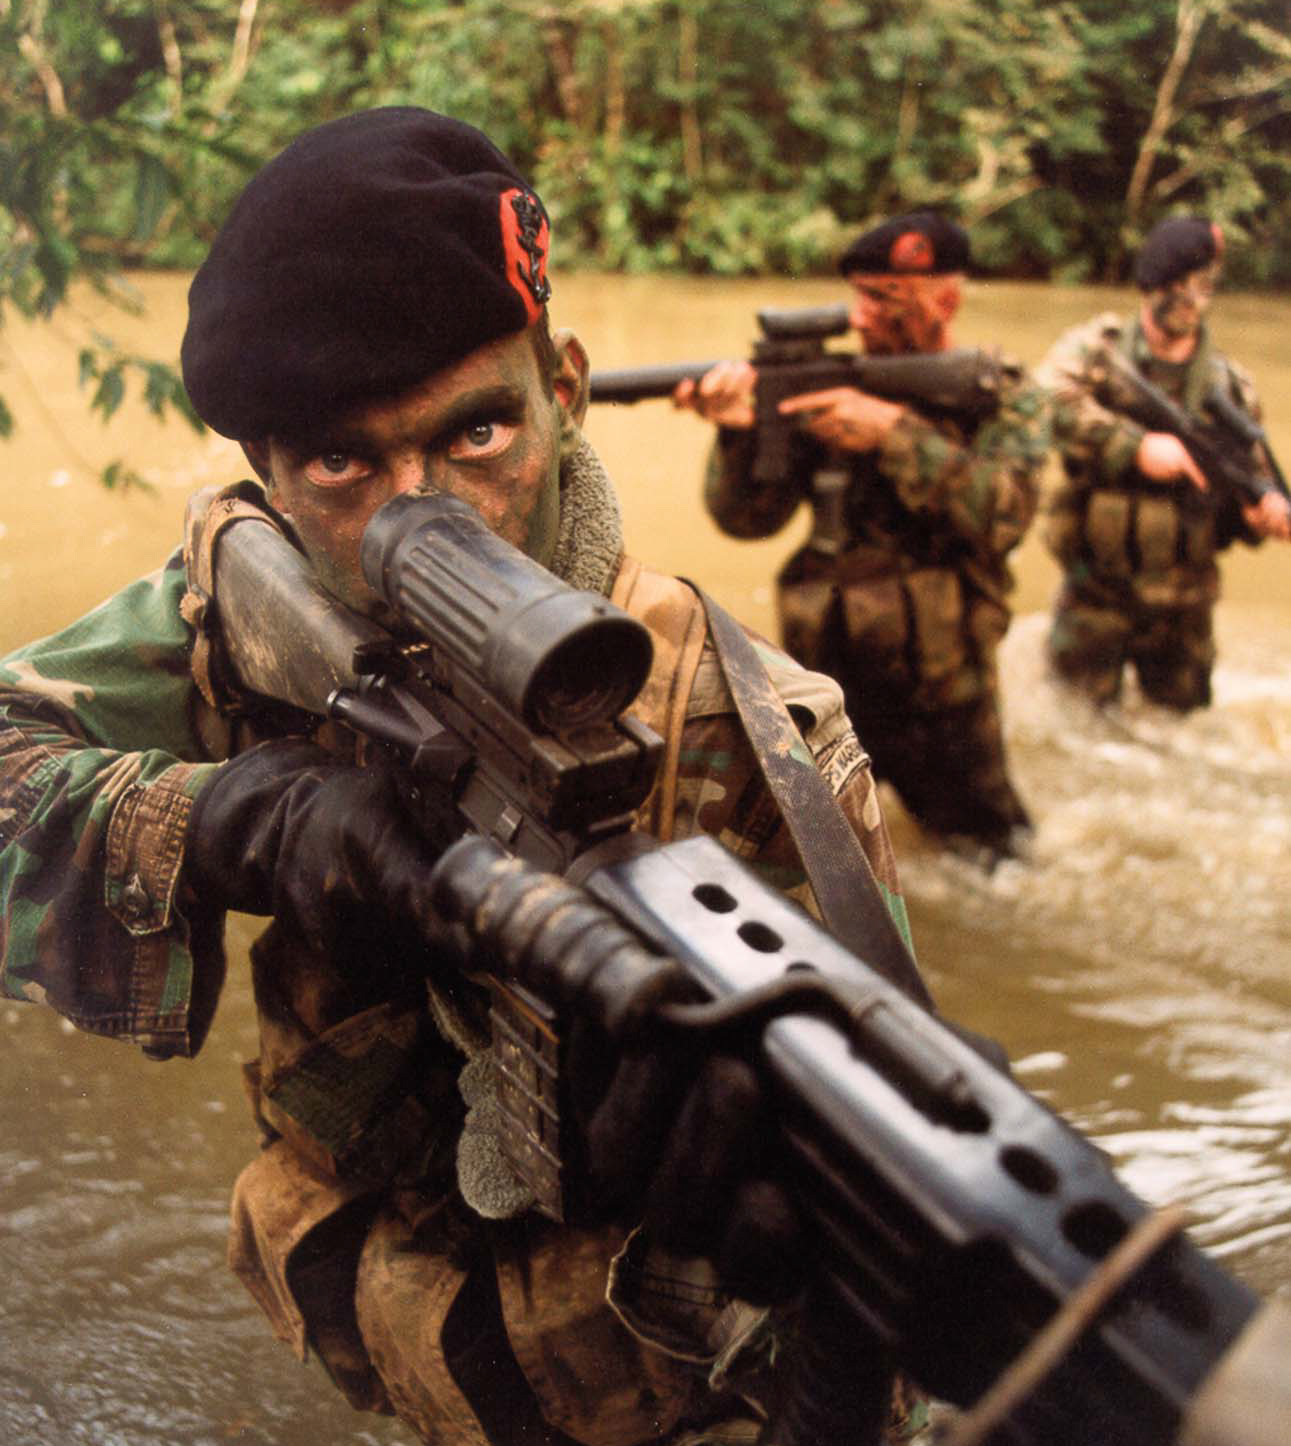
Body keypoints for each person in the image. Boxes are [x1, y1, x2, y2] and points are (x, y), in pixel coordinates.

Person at [0, 109, 927, 1446]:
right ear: (263, 473)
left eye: (480, 431)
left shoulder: (754, 739)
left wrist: (787, 1237)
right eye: (341, 461)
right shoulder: (258, 610)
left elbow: (880, 1341)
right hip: (381, 1354)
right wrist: (227, 821)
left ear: (566, 384)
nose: (425, 514)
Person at [672, 213, 1049, 865]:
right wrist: (739, 433)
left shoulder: (994, 391)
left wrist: (894, 435)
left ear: (947, 299)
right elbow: (746, 521)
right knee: (825, 852)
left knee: (991, 856)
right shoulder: (828, 382)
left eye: (886, 299)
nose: (863, 317)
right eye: (860, 295)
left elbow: (1005, 519)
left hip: (944, 680)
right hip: (827, 672)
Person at [1034, 215, 1291, 709]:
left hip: (1183, 609)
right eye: (1177, 289)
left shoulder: (1230, 389)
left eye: (1203, 288)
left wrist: (1259, 518)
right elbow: (1042, 403)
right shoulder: (1096, 354)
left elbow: (1246, 492)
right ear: (1150, 287)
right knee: (1073, 717)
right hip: (1095, 595)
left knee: (1180, 726)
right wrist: (1134, 447)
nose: (1191, 303)